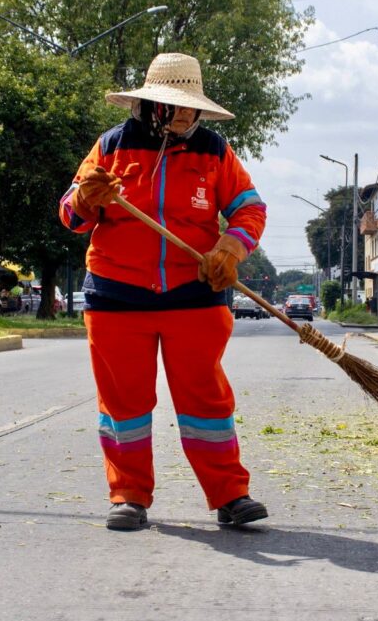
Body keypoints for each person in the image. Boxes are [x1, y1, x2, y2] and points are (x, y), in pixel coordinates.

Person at [58, 52, 268, 531]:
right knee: (124, 404)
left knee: (207, 402)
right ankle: (128, 496)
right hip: (116, 297)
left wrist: (229, 250)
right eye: (174, 107)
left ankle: (230, 496)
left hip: (195, 295)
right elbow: (70, 215)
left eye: (190, 108)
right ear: (150, 105)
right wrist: (86, 197)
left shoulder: (215, 151)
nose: (184, 116)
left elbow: (250, 209)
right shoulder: (111, 146)